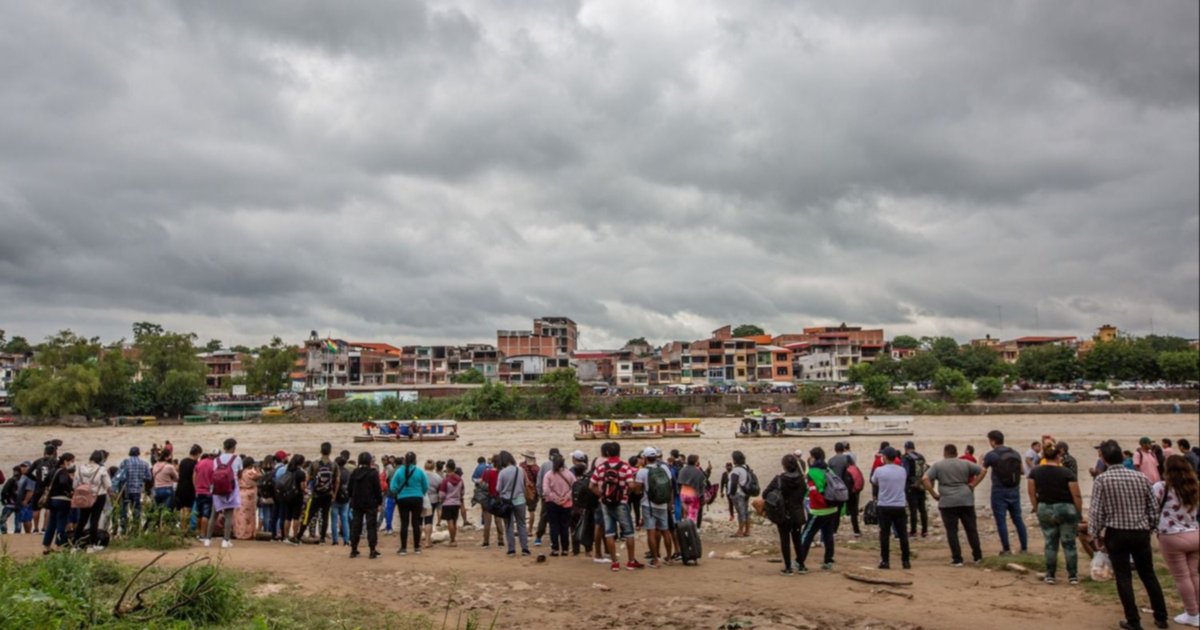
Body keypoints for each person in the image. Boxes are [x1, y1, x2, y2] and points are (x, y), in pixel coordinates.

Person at [1089, 440, 1169, 630]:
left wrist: (1095, 534)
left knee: (1123, 577)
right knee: (1148, 574)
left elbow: (1096, 511)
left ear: (1104, 459)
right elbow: (1153, 508)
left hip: (1116, 533)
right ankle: (1161, 617)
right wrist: (1150, 527)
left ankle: (1133, 620)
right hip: (1140, 532)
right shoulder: (1140, 477)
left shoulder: (1102, 480)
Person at [1152, 455, 1199, 627]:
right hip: (1194, 534)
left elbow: (1152, 507)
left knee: (1182, 577)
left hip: (1172, 536)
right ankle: (1197, 610)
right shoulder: (1194, 487)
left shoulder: (1161, 487)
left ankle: (1192, 613)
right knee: (1194, 574)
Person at [1027, 443, 1082, 584]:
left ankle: (1050, 575)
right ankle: (1072, 576)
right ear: (1058, 456)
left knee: (1050, 543)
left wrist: (1037, 508)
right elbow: (1076, 495)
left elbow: (1031, 493)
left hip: (1045, 507)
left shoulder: (1035, 472)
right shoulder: (1067, 473)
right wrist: (1079, 512)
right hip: (1066, 508)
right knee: (1069, 544)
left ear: (1044, 456)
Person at [924, 443, 983, 566]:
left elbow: (925, 479)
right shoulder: (965, 463)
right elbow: (983, 470)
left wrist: (933, 493)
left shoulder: (938, 465)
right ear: (956, 453)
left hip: (947, 502)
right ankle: (977, 557)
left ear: (944, 453)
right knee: (971, 529)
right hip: (966, 499)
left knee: (952, 531)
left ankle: (957, 559)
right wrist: (973, 484)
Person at [589, 441, 642, 571]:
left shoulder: (601, 467)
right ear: (619, 452)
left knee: (609, 532)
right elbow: (631, 485)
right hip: (621, 502)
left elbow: (591, 485)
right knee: (629, 532)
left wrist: (602, 495)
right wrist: (627, 493)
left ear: (607, 453)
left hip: (605, 503)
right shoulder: (625, 466)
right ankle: (630, 561)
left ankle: (614, 563)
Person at [980, 430, 1029, 555]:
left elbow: (982, 471)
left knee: (1001, 521)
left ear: (993, 441)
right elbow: (1022, 471)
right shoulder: (1015, 453)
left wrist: (980, 463)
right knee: (1018, 519)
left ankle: (1006, 549)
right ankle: (1024, 548)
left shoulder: (991, 455)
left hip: (999, 491)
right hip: (1014, 490)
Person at [795, 447, 840, 574]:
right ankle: (828, 561)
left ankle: (799, 561)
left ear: (813, 458)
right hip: (832, 508)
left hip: (818, 510)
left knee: (806, 535)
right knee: (828, 535)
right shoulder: (828, 470)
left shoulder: (812, 473)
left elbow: (812, 491)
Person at [764, 453, 808, 575]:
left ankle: (788, 568)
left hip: (783, 514)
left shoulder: (779, 479)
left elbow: (765, 493)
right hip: (798, 513)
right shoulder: (801, 479)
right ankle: (801, 565)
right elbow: (804, 492)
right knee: (797, 539)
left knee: (785, 541)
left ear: (784, 466)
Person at [871, 446, 911, 570]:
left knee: (884, 534)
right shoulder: (902, 470)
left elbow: (874, 481)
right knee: (903, 534)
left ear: (885, 457)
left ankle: (885, 560)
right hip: (899, 505)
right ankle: (906, 561)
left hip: (884, 505)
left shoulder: (879, 470)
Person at [635, 447, 673, 567]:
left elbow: (637, 490)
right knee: (665, 531)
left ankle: (655, 559)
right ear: (656, 457)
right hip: (663, 504)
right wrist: (670, 503)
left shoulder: (642, 471)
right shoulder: (664, 468)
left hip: (648, 505)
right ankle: (669, 558)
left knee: (651, 532)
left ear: (645, 458)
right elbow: (670, 486)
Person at [389, 451, 428, 555]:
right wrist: (420, 493)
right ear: (415, 460)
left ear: (404, 460)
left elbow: (392, 487)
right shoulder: (419, 471)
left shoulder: (399, 471)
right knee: (416, 523)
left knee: (404, 524)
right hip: (417, 498)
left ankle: (403, 548)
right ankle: (417, 547)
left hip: (403, 499)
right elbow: (425, 486)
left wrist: (398, 492)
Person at [206, 438, 242, 549]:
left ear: (224, 447)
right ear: (233, 447)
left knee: (214, 514)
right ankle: (226, 540)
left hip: (217, 489)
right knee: (229, 515)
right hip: (231, 489)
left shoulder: (216, 459)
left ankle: (208, 539)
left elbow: (214, 472)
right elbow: (239, 473)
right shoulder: (237, 458)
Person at [72, 450, 112, 550]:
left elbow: (75, 484)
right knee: (94, 520)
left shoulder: (80, 468)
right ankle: (92, 544)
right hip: (99, 496)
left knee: (82, 520)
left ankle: (75, 544)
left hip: (84, 495)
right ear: (101, 459)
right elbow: (107, 485)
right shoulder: (102, 469)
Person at [497, 450, 531, 558]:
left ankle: (511, 550)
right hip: (520, 500)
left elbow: (498, 488)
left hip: (507, 502)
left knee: (509, 526)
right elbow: (526, 484)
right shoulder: (520, 470)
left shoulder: (502, 473)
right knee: (522, 524)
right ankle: (525, 549)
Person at [348, 452, 382, 559]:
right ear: (369, 461)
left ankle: (353, 549)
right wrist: (379, 502)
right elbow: (377, 489)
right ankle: (372, 550)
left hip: (357, 503)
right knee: (371, 527)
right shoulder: (373, 473)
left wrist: (352, 497)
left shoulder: (355, 472)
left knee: (356, 526)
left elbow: (349, 488)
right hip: (370, 503)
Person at [540, 454, 575, 557]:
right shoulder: (569, 474)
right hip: (567, 504)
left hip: (551, 503)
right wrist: (566, 497)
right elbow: (575, 487)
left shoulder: (548, 475)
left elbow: (546, 490)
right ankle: (565, 549)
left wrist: (555, 498)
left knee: (553, 526)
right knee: (565, 526)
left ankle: (555, 549)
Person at [42, 453, 75, 554]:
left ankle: (46, 546)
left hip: (52, 500)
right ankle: (58, 546)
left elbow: (44, 482)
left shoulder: (53, 471)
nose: (72, 463)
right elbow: (63, 482)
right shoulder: (63, 471)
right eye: (72, 461)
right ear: (65, 461)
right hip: (63, 500)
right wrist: (69, 491)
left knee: (51, 523)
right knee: (61, 523)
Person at [828, 442, 862, 536]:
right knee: (853, 510)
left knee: (837, 511)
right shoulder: (848, 458)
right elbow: (854, 470)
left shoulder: (831, 460)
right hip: (849, 487)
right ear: (843, 449)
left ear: (835, 450)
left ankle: (834, 530)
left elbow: (829, 474)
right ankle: (856, 530)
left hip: (838, 488)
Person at [309, 442, 339, 544]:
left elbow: (308, 477)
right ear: (330, 451)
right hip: (328, 493)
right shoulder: (334, 464)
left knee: (312, 514)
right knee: (325, 516)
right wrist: (334, 493)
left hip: (316, 493)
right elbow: (337, 480)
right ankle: (322, 537)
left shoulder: (314, 463)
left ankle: (310, 534)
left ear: (320, 451)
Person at [118, 446, 151, 534]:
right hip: (137, 490)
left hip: (126, 490)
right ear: (138, 453)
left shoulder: (125, 463)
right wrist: (141, 478)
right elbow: (149, 477)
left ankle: (124, 529)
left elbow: (120, 477)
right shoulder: (144, 463)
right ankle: (136, 529)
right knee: (137, 510)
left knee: (124, 510)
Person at [29, 442, 58, 533]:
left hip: (38, 487)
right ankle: (44, 528)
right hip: (49, 488)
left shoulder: (38, 461)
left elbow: (27, 473)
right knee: (48, 508)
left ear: (44, 451)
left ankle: (35, 528)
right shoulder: (55, 462)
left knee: (36, 508)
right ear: (54, 452)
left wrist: (36, 479)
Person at [534, 447, 560, 546]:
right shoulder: (563, 466)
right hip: (559, 497)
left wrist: (540, 494)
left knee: (543, 517)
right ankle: (554, 539)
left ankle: (538, 537)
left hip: (546, 497)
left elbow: (539, 481)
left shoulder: (544, 465)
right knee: (556, 518)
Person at [902, 441, 928, 538]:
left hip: (911, 486)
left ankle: (913, 531)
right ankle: (924, 531)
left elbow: (905, 473)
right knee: (922, 509)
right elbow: (925, 470)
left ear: (905, 448)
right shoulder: (921, 457)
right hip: (921, 486)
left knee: (913, 509)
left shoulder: (906, 458)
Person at [280, 454, 307, 544]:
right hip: (297, 496)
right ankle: (294, 537)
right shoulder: (301, 473)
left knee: (287, 517)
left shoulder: (288, 470)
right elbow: (302, 487)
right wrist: (305, 490)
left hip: (287, 495)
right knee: (296, 517)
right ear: (301, 462)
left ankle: (285, 536)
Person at [438, 459, 464, 547]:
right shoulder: (460, 479)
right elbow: (462, 492)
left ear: (447, 468)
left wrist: (442, 500)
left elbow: (442, 494)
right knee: (455, 521)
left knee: (450, 521)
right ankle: (454, 539)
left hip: (447, 503)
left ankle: (452, 540)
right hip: (456, 503)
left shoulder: (445, 480)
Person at [480, 454, 504, 548]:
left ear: (492, 462)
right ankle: (501, 540)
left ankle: (486, 541)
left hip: (488, 498)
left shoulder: (486, 472)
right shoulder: (501, 473)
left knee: (487, 521)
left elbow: (481, 484)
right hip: (498, 498)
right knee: (498, 520)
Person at [234, 456, 261, 541]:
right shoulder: (250, 472)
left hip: (240, 494)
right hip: (249, 496)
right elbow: (259, 475)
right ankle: (248, 533)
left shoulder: (240, 472)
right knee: (249, 516)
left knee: (239, 515)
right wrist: (257, 469)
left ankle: (239, 532)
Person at [175, 445, 201, 531]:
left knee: (182, 508)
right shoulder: (195, 464)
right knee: (189, 508)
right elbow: (195, 477)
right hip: (190, 488)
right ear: (197, 454)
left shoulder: (183, 461)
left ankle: (182, 527)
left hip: (180, 486)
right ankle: (186, 528)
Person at [728, 451, 752, 538]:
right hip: (745, 493)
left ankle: (740, 531)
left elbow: (734, 482)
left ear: (735, 460)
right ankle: (747, 530)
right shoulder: (745, 468)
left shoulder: (736, 470)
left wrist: (731, 493)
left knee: (740, 512)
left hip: (738, 494)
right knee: (745, 511)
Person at [677, 455, 708, 523]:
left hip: (683, 494)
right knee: (692, 516)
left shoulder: (682, 470)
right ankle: (691, 528)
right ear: (696, 462)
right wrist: (702, 497)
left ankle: (684, 527)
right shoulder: (698, 472)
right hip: (693, 495)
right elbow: (702, 485)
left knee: (684, 514)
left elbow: (679, 483)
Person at [1, 462, 28, 534]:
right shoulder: (24, 480)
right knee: (18, 520)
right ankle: (17, 533)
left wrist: (3, 500)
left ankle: (4, 531)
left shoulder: (11, 480)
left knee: (3, 519)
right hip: (19, 504)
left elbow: (4, 491)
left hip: (10, 503)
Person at [330, 456, 351, 546]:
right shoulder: (347, 472)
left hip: (335, 497)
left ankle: (335, 540)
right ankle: (346, 540)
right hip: (345, 497)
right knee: (344, 519)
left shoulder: (334, 472)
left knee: (334, 520)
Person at [193, 452, 215, 538]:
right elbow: (214, 478)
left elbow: (194, 476)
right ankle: (203, 534)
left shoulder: (199, 463)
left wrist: (196, 488)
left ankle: (198, 532)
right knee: (205, 514)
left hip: (198, 492)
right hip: (208, 492)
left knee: (199, 514)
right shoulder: (213, 464)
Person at [423, 459, 442, 546]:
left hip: (421, 498)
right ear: (434, 466)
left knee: (419, 520)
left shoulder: (421, 474)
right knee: (429, 520)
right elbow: (440, 489)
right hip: (432, 499)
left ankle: (418, 541)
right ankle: (428, 541)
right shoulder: (437, 477)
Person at [519, 451, 540, 533]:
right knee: (531, 511)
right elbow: (538, 481)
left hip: (522, 489)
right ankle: (530, 530)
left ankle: (522, 528)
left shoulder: (521, 466)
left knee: (521, 510)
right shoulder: (536, 468)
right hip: (532, 491)